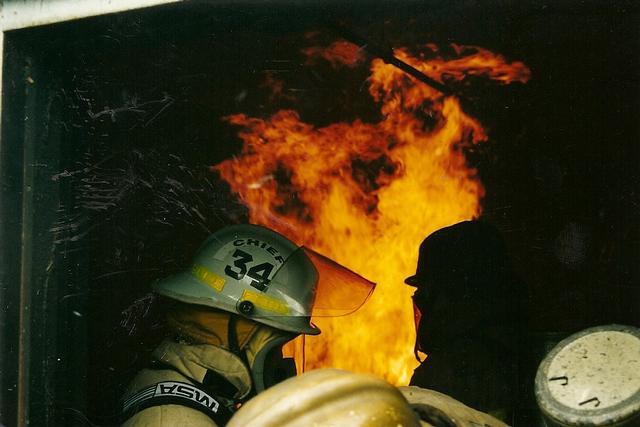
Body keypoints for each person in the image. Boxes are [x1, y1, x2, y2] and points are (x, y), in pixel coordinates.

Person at [120, 223, 374, 426]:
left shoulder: (197, 387)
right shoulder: (174, 420)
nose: (282, 365)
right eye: (275, 346)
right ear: (235, 330)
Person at [405, 220, 526, 423]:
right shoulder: (518, 353)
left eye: (426, 291)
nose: (421, 297)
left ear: (453, 292)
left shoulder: (450, 368)